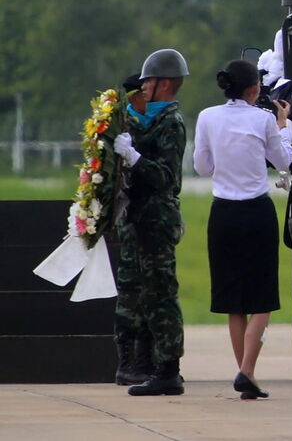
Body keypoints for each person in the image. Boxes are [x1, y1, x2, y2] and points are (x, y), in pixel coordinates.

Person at [193, 60, 292, 399]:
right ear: (254, 89)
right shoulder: (263, 119)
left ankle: (245, 373)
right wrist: (283, 126)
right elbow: (283, 162)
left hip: (222, 214)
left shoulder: (207, 117)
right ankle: (247, 371)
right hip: (256, 212)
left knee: (233, 301)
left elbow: (202, 166)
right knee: (261, 297)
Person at [112, 49, 188, 396]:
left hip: (157, 220)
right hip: (139, 219)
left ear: (166, 84)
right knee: (140, 294)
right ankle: (142, 365)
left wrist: (134, 156)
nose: (143, 87)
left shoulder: (171, 122)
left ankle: (168, 370)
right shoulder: (148, 120)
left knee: (161, 295)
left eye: (149, 82)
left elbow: (165, 177)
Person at [113, 73, 154, 387]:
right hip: (131, 218)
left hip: (149, 218)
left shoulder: (145, 123)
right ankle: (128, 363)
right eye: (144, 92)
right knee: (131, 293)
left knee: (148, 291)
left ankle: (145, 361)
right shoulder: (124, 128)